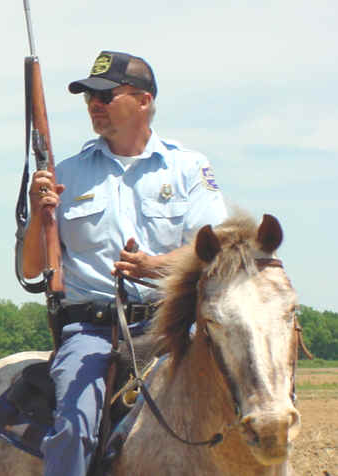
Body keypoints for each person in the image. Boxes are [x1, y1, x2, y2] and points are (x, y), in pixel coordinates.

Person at [22, 50, 227, 476]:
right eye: (89, 98)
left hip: (174, 324)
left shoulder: (189, 168)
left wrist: (156, 266)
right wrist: (38, 215)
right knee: (74, 428)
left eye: (106, 96)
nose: (94, 105)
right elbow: (29, 269)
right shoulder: (67, 173)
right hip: (95, 330)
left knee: (254, 402)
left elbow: (215, 251)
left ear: (144, 100)